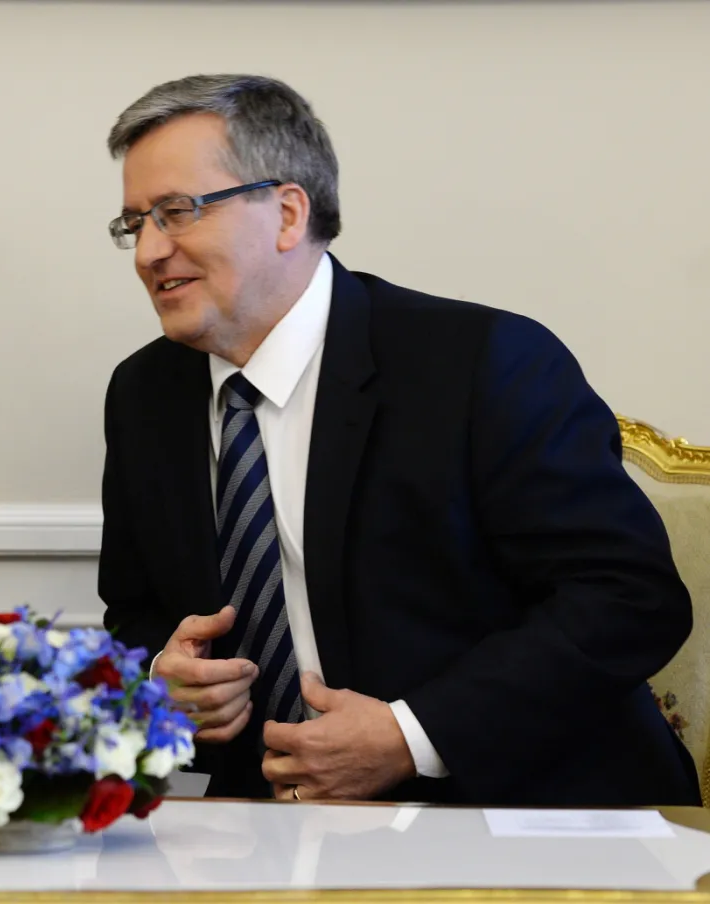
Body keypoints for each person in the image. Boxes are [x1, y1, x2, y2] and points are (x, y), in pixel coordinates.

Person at [97, 74, 698, 806]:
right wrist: (165, 675)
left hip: (515, 805)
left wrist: (411, 737)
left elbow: (628, 598)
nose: (148, 252)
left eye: (176, 213)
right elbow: (133, 607)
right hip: (261, 825)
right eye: (135, 224)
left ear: (287, 213)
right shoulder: (144, 393)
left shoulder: (481, 362)